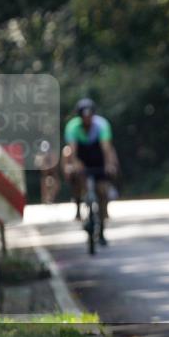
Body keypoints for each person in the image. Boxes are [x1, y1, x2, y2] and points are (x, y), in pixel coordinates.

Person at [62, 98, 119, 245]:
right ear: (80, 117)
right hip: (82, 156)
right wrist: (73, 164)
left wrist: (109, 165)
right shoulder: (73, 127)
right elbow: (72, 150)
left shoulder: (102, 125)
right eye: (84, 117)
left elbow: (106, 148)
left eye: (90, 116)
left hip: (98, 156)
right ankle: (79, 203)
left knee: (102, 191)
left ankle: (101, 228)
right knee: (78, 177)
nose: (87, 119)